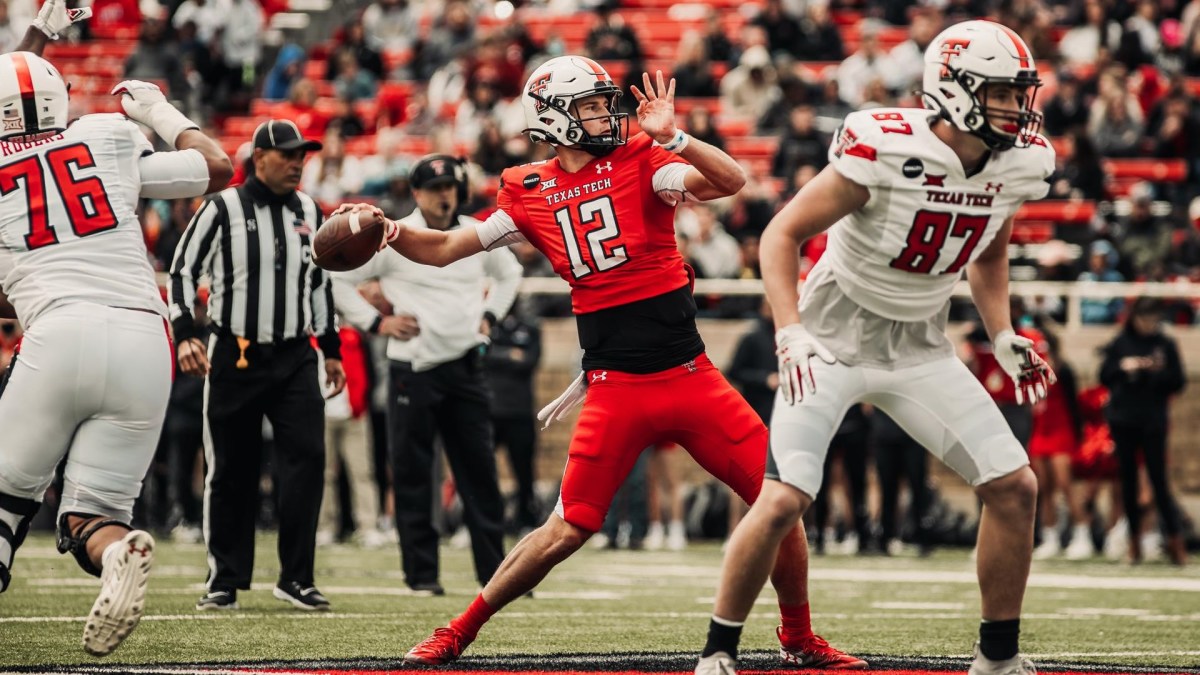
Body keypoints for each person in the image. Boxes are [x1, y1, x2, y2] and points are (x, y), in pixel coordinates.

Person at [342, 56, 861, 668]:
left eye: (602, 103)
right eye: (589, 106)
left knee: (782, 503)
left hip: (690, 376)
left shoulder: (643, 161)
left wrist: (677, 138)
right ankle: (458, 631)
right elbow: (449, 247)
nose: (605, 115)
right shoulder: (528, 188)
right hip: (615, 387)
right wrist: (391, 233)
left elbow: (728, 183)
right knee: (567, 528)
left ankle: (798, 638)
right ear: (553, 118)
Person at [695, 21, 1056, 675]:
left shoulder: (1017, 164)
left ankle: (997, 657)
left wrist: (1001, 330)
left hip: (919, 348)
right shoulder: (887, 146)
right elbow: (781, 234)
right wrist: (789, 329)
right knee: (782, 499)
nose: (1016, 106)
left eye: (1017, 92)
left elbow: (990, 245)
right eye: (1002, 92)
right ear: (954, 88)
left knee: (1014, 486)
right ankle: (718, 650)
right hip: (830, 342)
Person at [0, 0, 232, 656]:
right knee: (90, 519)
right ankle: (117, 552)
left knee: (6, 503)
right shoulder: (105, 140)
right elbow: (218, 168)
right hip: (143, 340)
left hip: (59, 330)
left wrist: (36, 35)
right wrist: (155, 108)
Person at [168, 119, 344, 612]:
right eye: (288, 155)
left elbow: (319, 284)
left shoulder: (310, 210)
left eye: (302, 155)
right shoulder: (222, 207)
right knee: (230, 467)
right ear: (259, 158)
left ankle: (297, 578)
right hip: (235, 351)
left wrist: (330, 349)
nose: (297, 163)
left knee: (307, 461)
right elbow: (182, 270)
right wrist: (184, 333)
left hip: (293, 356)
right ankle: (224, 577)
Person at [330, 153, 522, 595]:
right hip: (411, 369)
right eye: (435, 189)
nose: (444, 196)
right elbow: (337, 277)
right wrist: (377, 323)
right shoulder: (394, 238)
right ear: (416, 193)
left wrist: (490, 315)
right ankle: (421, 576)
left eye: (450, 188)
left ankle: (497, 576)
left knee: (479, 474)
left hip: (464, 366)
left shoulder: (477, 233)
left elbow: (511, 275)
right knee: (414, 473)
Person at [1098, 298, 1187, 565]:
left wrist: (1154, 372)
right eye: (1144, 318)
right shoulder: (1120, 342)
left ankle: (1175, 540)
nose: (1149, 324)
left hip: (1153, 420)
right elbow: (1104, 375)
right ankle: (1133, 542)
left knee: (1159, 481)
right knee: (1128, 481)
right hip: (1123, 419)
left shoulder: (1165, 344)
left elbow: (1178, 381)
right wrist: (1126, 368)